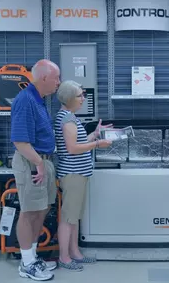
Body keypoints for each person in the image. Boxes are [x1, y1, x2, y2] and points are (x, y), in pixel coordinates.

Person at [11, 59, 61, 280]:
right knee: (29, 211)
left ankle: (31, 256)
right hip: (30, 161)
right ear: (44, 78)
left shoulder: (38, 99)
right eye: (56, 78)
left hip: (43, 160)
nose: (59, 82)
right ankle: (27, 262)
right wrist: (39, 164)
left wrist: (44, 163)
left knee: (41, 209)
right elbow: (20, 142)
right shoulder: (25, 100)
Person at [54, 80, 112, 271]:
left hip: (78, 174)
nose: (83, 99)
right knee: (69, 218)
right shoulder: (67, 119)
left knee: (75, 217)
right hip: (73, 174)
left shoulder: (69, 117)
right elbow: (72, 149)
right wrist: (97, 145)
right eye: (79, 95)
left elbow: (77, 143)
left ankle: (75, 253)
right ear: (69, 98)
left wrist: (94, 135)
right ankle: (64, 257)